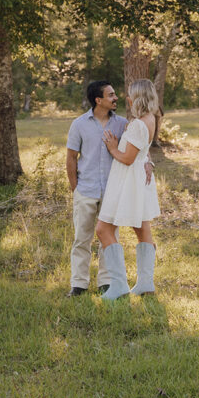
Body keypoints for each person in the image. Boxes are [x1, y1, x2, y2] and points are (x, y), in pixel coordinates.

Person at [66, 80, 153, 296]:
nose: (116, 98)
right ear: (98, 100)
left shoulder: (123, 123)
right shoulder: (79, 124)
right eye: (111, 95)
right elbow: (71, 158)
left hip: (114, 191)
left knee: (109, 235)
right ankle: (79, 284)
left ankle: (107, 283)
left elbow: (138, 146)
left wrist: (148, 161)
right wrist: (75, 188)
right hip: (86, 189)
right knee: (82, 238)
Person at [95, 78, 161, 299]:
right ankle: (145, 283)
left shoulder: (139, 124)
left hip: (127, 183)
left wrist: (113, 147)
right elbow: (140, 153)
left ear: (139, 97)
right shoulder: (149, 118)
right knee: (142, 231)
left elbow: (127, 158)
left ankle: (118, 285)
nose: (127, 98)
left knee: (103, 229)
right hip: (137, 181)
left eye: (130, 94)